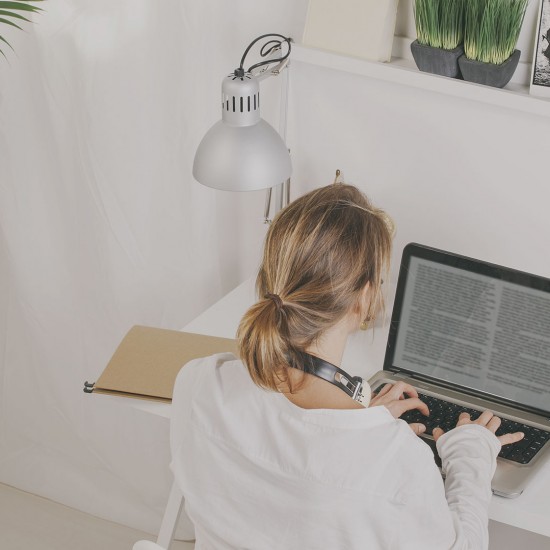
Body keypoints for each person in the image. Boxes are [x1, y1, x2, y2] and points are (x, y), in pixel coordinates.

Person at [170, 183, 523, 549]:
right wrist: (471, 453)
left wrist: (362, 421)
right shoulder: (396, 463)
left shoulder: (199, 383)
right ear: (364, 299)